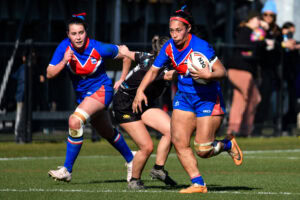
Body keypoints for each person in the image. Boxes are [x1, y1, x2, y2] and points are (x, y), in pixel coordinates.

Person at [132, 4, 243, 194]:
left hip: (207, 99)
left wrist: (208, 76)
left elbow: (222, 72)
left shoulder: (201, 46)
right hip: (184, 98)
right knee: (179, 141)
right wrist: (140, 91)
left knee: (203, 150)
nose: (174, 35)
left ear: (188, 29)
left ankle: (227, 144)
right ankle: (198, 183)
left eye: (178, 30)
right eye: (171, 31)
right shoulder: (168, 47)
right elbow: (153, 71)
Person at [47, 13, 134, 182]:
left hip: (103, 90)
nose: (78, 37)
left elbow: (126, 55)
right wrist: (64, 61)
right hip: (84, 97)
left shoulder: (99, 48)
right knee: (106, 131)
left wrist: (122, 79)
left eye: (81, 32)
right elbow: (49, 73)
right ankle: (132, 159)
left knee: (74, 121)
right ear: (68, 34)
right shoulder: (64, 48)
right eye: (74, 34)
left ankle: (67, 170)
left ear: (86, 32)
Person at [114, 35, 177, 189]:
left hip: (145, 102)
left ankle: (158, 169)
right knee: (147, 146)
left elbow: (126, 52)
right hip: (125, 105)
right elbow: (172, 75)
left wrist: (123, 53)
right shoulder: (158, 68)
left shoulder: (147, 56)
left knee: (172, 130)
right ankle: (134, 181)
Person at [227, 11, 265, 137]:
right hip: (241, 70)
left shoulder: (247, 31)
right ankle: (243, 129)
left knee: (241, 99)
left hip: (240, 70)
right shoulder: (246, 31)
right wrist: (262, 41)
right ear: (250, 20)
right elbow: (248, 48)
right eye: (257, 19)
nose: (259, 22)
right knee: (251, 98)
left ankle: (235, 129)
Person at [254, 0, 282, 135]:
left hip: (271, 69)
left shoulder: (277, 30)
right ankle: (254, 126)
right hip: (259, 68)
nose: (268, 18)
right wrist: (263, 32)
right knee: (257, 98)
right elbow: (255, 45)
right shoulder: (258, 29)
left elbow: (280, 47)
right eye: (265, 15)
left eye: (271, 15)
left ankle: (261, 126)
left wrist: (276, 44)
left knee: (267, 98)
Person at [281, 22, 300, 135]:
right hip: (282, 76)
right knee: (285, 103)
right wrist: (285, 45)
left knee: (293, 102)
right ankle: (282, 126)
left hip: (293, 77)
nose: (291, 35)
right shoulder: (280, 40)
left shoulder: (295, 43)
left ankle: (290, 126)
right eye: (289, 32)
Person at [12, 53, 27, 144]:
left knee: (22, 116)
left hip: (25, 97)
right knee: (19, 116)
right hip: (21, 96)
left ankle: (22, 135)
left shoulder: (27, 68)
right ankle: (18, 136)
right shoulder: (22, 68)